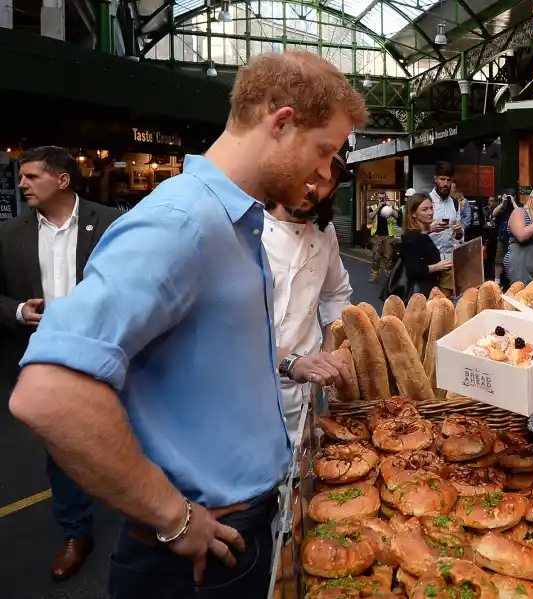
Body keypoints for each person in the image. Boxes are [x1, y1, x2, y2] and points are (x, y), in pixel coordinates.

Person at [9, 51, 367, 599]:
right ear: (281, 122)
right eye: (324, 151)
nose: (327, 173)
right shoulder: (181, 223)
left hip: (236, 531)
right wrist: (172, 516)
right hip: (197, 557)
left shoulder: (233, 221)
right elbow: (47, 392)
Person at [0, 146, 121, 582]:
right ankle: (77, 533)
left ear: (63, 180)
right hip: (45, 362)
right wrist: (17, 311)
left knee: (129, 439)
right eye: (21, 176)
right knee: (62, 452)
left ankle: (147, 524)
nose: (21, 183)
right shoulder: (8, 235)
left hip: (108, 355)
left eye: (31, 176)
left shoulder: (111, 224)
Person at [263, 151, 353, 437]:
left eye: (325, 181)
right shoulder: (250, 230)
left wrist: (329, 350)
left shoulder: (325, 234)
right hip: (252, 386)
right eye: (310, 174)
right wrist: (290, 362)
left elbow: (337, 293)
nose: (313, 187)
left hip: (306, 390)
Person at [398, 193, 452, 299]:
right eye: (425, 209)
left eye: (431, 208)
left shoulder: (420, 234)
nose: (430, 213)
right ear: (413, 213)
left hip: (427, 290)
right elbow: (414, 270)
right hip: (420, 295)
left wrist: (430, 229)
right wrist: (438, 266)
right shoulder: (412, 237)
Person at [429, 161, 464, 296]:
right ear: (435, 179)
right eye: (442, 179)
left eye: (448, 180)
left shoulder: (455, 203)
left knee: (444, 304)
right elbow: (413, 231)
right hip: (429, 260)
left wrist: (459, 232)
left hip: (448, 260)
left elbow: (459, 234)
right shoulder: (426, 200)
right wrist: (430, 228)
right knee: (428, 303)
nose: (445, 183)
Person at [367, 191, 398, 284]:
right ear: (377, 198)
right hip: (376, 236)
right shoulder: (373, 207)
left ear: (386, 198)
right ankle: (374, 275)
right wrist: (379, 206)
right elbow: (371, 217)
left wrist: (391, 208)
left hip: (388, 235)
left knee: (388, 257)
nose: (381, 200)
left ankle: (389, 275)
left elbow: (397, 217)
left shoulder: (390, 207)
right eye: (379, 198)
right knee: (376, 256)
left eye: (383, 198)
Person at [492, 193, 518, 287]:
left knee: (514, 261)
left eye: (511, 196)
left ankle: (513, 283)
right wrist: (503, 202)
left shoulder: (519, 206)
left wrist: (513, 201)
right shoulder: (502, 207)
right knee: (499, 261)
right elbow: (494, 213)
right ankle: (497, 282)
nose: (509, 198)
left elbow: (520, 213)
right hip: (502, 238)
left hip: (515, 239)